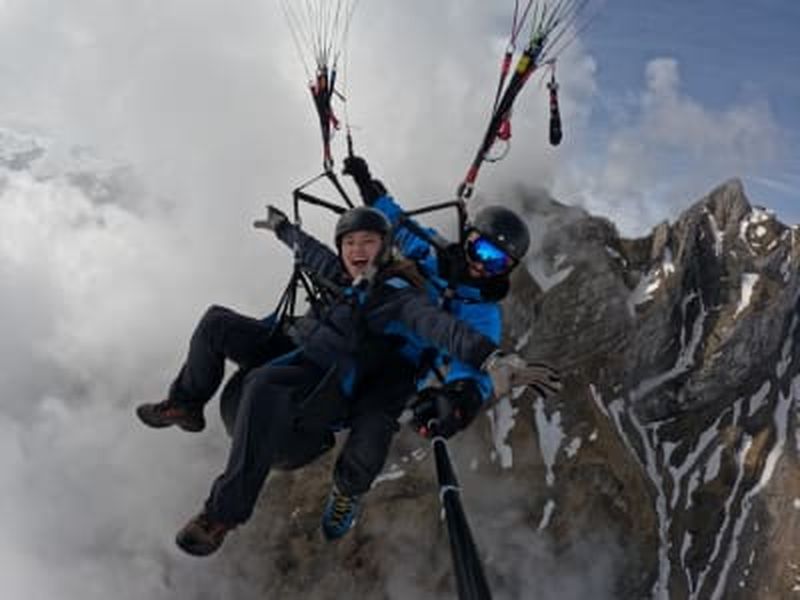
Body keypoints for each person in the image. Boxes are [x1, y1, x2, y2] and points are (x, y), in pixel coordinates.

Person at [137, 205, 558, 556]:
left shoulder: (402, 297)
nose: (483, 264)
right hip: (306, 342)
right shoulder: (375, 267)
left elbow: (442, 328)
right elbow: (324, 254)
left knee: (338, 413)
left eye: (498, 261)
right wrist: (287, 229)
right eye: (351, 244)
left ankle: (228, 513)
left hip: (352, 366)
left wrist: (488, 363)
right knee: (216, 324)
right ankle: (186, 403)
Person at [341, 155, 540, 438]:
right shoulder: (434, 252)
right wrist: (367, 184)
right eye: (480, 250)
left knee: (367, 431)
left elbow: (476, 364)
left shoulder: (483, 311)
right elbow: (400, 225)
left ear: (508, 270)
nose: (482, 265)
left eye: (497, 262)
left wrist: (461, 397)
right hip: (371, 320)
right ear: (468, 237)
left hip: (404, 364)